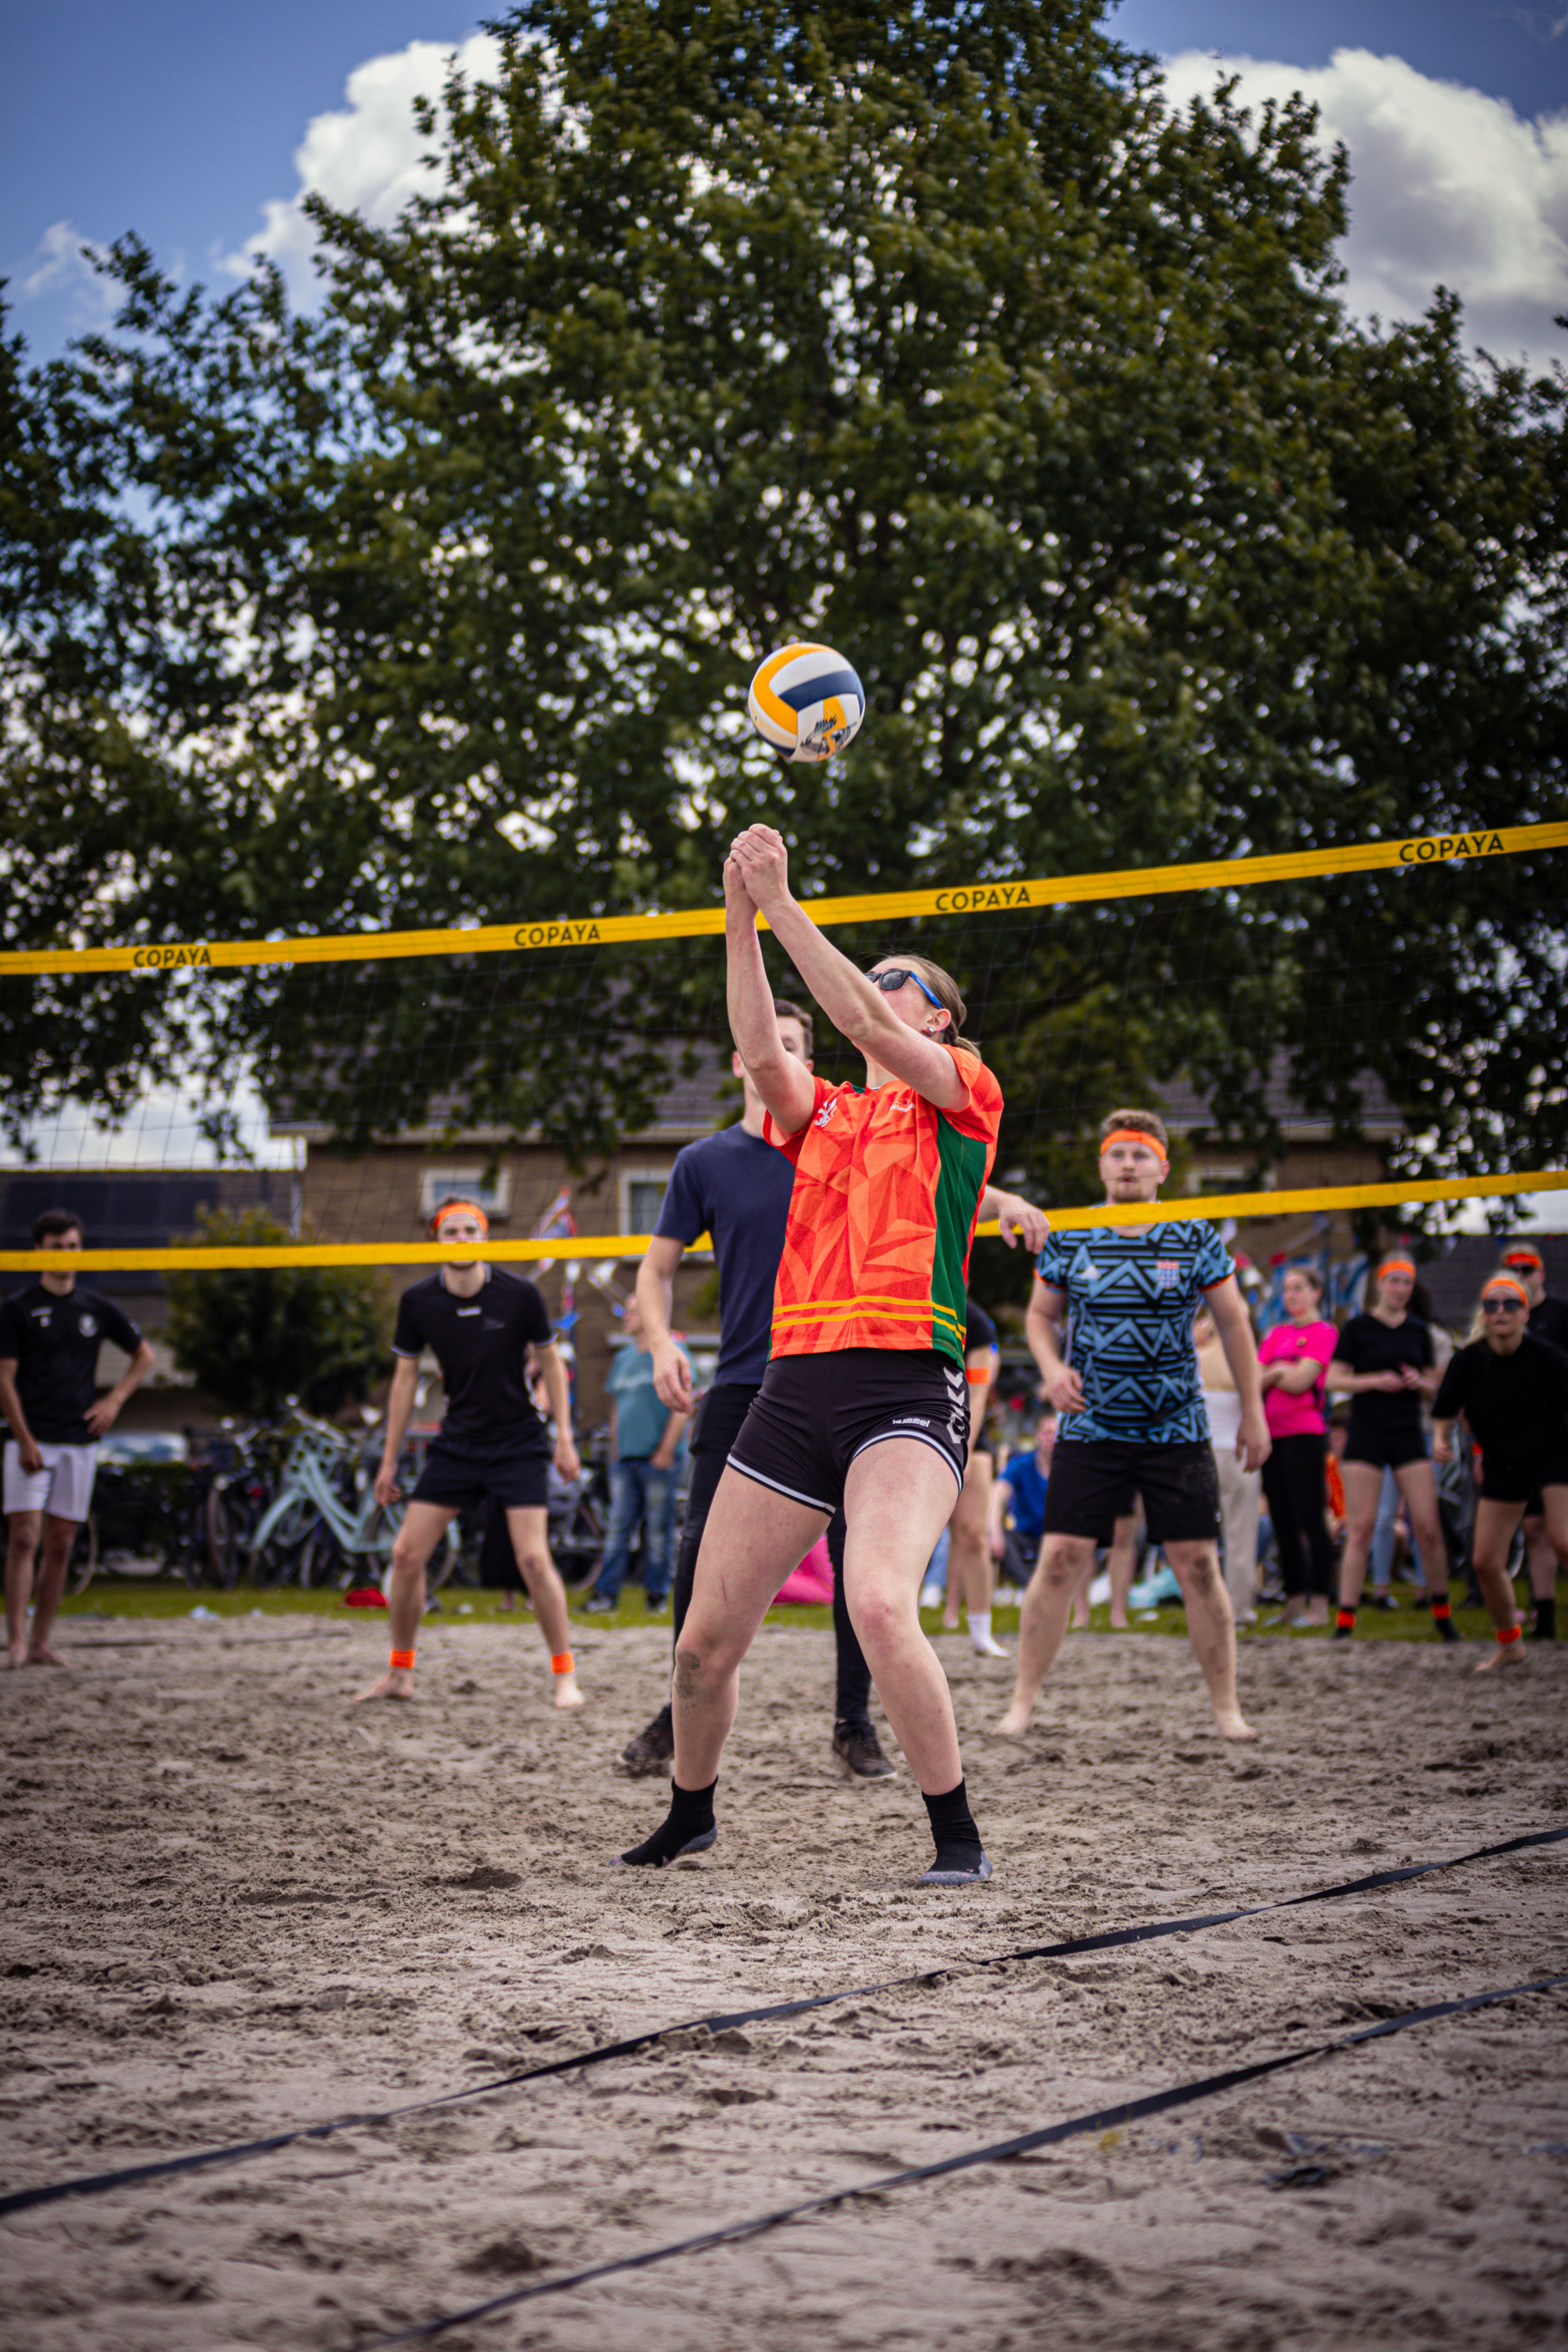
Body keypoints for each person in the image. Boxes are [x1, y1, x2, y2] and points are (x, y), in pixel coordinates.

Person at [619, 822, 1007, 1884]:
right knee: (702, 1644)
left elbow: (855, 1014)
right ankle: (690, 1814)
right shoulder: (827, 1116)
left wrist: (786, 903)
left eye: (900, 982)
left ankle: (956, 1837)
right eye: (879, 977)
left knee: (878, 1602)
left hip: (904, 1383)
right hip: (792, 1386)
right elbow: (761, 1051)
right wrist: (739, 916)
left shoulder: (961, 1092)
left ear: (940, 1017)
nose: (876, 990)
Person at [623, 1005, 1046, 1780]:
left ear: (810, 1059)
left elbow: (927, 1175)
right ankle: (674, 1718)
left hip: (854, 1374)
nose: (775, 1052)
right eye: (765, 1043)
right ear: (739, 1061)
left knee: (866, 1575)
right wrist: (657, 1342)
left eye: (792, 1044)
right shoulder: (707, 1162)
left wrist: (1004, 1200)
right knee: (700, 1574)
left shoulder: (836, 1126)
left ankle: (854, 1724)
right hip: (747, 1379)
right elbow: (653, 1271)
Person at [997, 1110, 1268, 1742]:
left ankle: (1227, 1709)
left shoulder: (1194, 1234)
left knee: (1198, 1564)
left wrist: (1252, 1411)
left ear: (1163, 1169)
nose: (1127, 1165)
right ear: (1101, 1165)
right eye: (1117, 1154)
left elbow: (1234, 1324)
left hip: (1175, 1425)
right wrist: (1048, 1369)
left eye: (1141, 1156)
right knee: (1061, 1559)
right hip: (1090, 1426)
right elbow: (1041, 1318)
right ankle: (1022, 1703)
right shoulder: (1072, 1234)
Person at [354, 1199, 583, 1706]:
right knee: (405, 1554)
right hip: (458, 1442)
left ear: (485, 1238)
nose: (461, 1239)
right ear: (437, 1240)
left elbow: (550, 1364)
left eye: (470, 1231)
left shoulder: (520, 1295)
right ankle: (400, 1673)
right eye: (451, 1231)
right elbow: (404, 1379)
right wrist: (389, 1459)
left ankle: (565, 1675)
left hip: (518, 1440)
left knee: (531, 1558)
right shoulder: (418, 1302)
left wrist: (564, 1437)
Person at [1, 1210, 155, 1668]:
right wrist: (25, 1438)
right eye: (56, 1246)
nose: (65, 1254)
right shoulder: (17, 1307)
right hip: (28, 1441)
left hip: (79, 1442)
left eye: (71, 1246)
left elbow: (144, 1356)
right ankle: (16, 1641)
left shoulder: (96, 1307)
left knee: (62, 1543)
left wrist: (114, 1402)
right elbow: (3, 1380)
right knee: (24, 1538)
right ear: (39, 1251)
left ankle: (42, 1642)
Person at [1432, 1272, 1568, 1670]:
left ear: (1526, 1313)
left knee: (1563, 1542)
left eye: (1511, 1304)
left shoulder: (1550, 1359)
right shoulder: (1468, 1360)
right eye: (1492, 1305)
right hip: (1503, 1461)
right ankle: (1511, 1645)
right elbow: (1444, 1411)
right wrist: (1441, 1440)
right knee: (1485, 1561)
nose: (1501, 1311)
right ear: (1484, 1315)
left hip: (1554, 1456)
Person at [1327, 1254, 1454, 1642]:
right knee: (1361, 1527)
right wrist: (1375, 1380)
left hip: (1407, 1433)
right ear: (1380, 1284)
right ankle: (1346, 1619)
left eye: (1406, 1283)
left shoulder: (1420, 1331)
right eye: (1394, 1281)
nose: (1399, 1289)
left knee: (1428, 1528)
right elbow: (1334, 1379)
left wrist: (1419, 1382)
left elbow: (1439, 1388)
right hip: (1366, 1431)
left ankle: (1442, 1613)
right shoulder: (1359, 1327)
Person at [586, 1295, 690, 1613]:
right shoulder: (623, 1359)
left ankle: (657, 1597)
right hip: (625, 1461)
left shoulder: (672, 1353)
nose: (626, 1316)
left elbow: (683, 1408)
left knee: (658, 1532)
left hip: (657, 1461)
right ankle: (606, 1596)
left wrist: (665, 1451)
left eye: (633, 1311)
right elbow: (617, 1407)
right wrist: (615, 1450)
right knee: (617, 1530)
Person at [1257, 1265, 1340, 1627]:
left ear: (1316, 1293)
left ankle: (1320, 1605)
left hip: (1305, 1433)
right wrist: (1277, 1371)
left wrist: (1276, 1372)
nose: (1291, 1295)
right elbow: (1255, 1381)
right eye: (1287, 1289)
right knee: (1282, 1520)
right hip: (1271, 1435)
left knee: (1310, 1518)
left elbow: (1301, 1380)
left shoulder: (1323, 1331)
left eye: (1298, 1288)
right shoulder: (1275, 1334)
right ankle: (1293, 1602)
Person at [1498, 1244, 1568, 1639]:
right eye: (1513, 1269)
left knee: (1562, 1535)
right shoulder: (1501, 1318)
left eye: (1528, 1268)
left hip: (1559, 1439)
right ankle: (1546, 1619)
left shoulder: (1559, 1314)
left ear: (1541, 1273)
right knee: (1535, 1530)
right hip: (1521, 1443)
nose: (1521, 1273)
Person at [941, 1299, 1008, 1657]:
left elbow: (978, 1394)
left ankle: (982, 1631)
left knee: (972, 1535)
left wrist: (962, 1445)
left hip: (965, 1431)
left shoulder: (974, 1319)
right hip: (911, 1424)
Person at [1196, 1305, 1261, 1627]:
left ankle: (1208, 1605)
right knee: (1239, 1536)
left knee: (1202, 1537)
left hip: (1208, 1452)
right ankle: (1239, 1606)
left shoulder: (1198, 1358)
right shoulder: (1250, 1363)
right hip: (1233, 1453)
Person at [988, 1408, 1056, 1591]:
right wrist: (994, 1532)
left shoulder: (1069, 1469)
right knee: (998, 1535)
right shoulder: (1020, 1465)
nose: (1052, 1438)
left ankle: (1033, 1587)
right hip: (1024, 1536)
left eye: (1057, 1434)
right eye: (1047, 1432)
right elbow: (996, 1498)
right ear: (1037, 1435)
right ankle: (1030, 1587)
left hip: (1056, 1536)